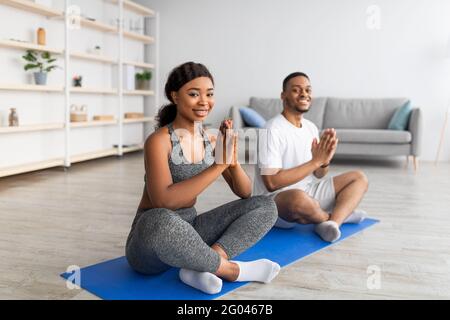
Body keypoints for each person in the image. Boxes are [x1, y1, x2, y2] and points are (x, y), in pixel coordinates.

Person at [125, 62, 280, 295]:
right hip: (150, 243)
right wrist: (218, 165)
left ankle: (206, 264)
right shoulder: (159, 141)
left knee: (265, 204)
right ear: (174, 96)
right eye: (194, 94)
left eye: (209, 94)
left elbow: (246, 192)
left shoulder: (213, 140)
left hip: (193, 230)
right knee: (159, 219)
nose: (204, 101)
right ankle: (230, 271)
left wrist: (231, 159)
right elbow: (163, 201)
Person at [253, 72, 369, 243]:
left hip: (308, 195)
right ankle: (335, 216)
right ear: (283, 95)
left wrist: (324, 161)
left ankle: (332, 223)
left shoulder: (310, 128)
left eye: (308, 90)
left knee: (359, 178)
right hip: (275, 202)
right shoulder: (271, 129)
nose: (304, 94)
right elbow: (271, 183)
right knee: (298, 198)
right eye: (296, 90)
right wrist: (315, 161)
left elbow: (319, 175)